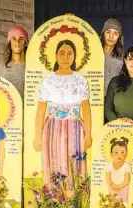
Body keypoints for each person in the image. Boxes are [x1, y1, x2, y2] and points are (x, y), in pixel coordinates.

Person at [33, 39, 92, 191]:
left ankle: (74, 201)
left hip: (74, 128)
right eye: (62, 53)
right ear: (56, 55)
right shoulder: (48, 81)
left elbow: (86, 109)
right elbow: (41, 110)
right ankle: (55, 200)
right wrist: (37, 136)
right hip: (52, 127)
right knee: (54, 159)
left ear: (75, 56)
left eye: (70, 53)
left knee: (73, 162)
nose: (65, 57)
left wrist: (88, 134)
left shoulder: (80, 80)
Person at [0, 26, 29, 98]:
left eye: (21, 39)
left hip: (29, 109)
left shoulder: (33, 69)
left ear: (25, 43)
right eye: (14, 39)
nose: (17, 42)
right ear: (10, 42)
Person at [100, 18, 124, 96]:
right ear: (103, 34)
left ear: (119, 37)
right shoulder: (93, 55)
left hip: (113, 100)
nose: (111, 36)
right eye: (108, 32)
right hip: (95, 100)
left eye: (115, 33)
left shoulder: (121, 60)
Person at [106, 137, 131, 204]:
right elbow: (108, 179)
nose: (119, 155)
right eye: (116, 152)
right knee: (112, 205)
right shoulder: (109, 166)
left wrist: (118, 187)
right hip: (112, 189)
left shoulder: (126, 166)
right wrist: (112, 185)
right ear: (111, 154)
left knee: (123, 205)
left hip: (123, 189)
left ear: (126, 153)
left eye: (123, 152)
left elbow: (126, 181)